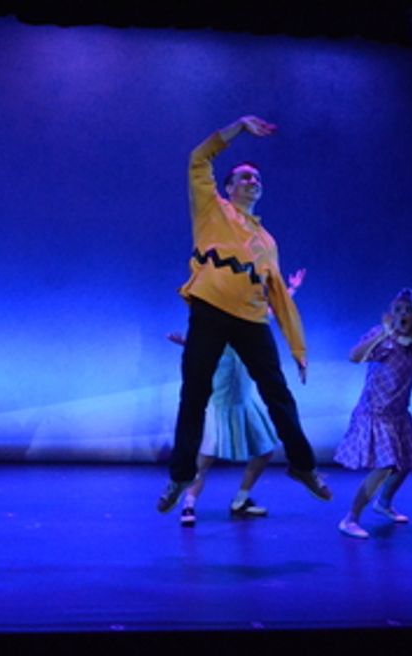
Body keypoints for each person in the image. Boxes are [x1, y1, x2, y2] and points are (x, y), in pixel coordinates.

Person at [160, 116, 331, 515]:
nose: (253, 182)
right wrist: (237, 129)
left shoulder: (267, 242)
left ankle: (303, 467)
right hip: (210, 310)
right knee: (194, 394)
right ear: (229, 187)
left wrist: (298, 348)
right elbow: (198, 159)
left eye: (257, 178)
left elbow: (280, 299)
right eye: (245, 177)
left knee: (278, 394)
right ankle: (181, 474)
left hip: (252, 320)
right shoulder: (211, 209)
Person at [166, 267, 308, 527]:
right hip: (221, 403)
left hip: (244, 402)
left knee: (265, 450)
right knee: (204, 459)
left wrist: (292, 289)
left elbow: (273, 311)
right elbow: (204, 343)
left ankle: (241, 498)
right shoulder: (217, 324)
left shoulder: (249, 326)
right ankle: (188, 505)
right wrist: (186, 344)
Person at [333, 288, 412, 539]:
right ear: (390, 314)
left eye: (408, 310)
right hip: (375, 414)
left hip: (399, 414)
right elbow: (354, 357)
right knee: (385, 466)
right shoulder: (383, 338)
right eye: (398, 310)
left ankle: (384, 503)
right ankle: (351, 518)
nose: (403, 314)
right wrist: (382, 333)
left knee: (405, 464)